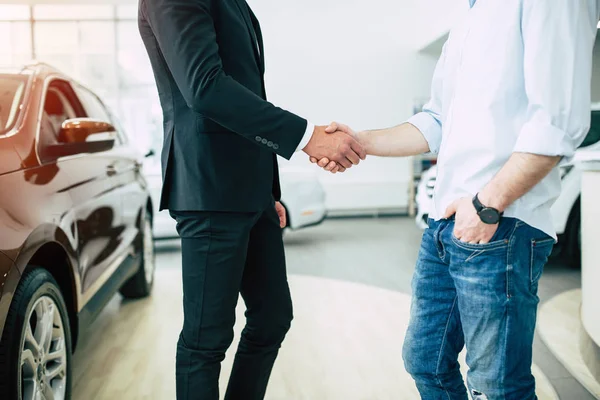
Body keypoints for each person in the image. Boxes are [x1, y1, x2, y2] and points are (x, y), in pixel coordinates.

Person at [312, 0, 600, 398]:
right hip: (445, 225)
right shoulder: (469, 13)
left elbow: (558, 120)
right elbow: (437, 119)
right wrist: (358, 142)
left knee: (496, 387)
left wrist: (486, 205)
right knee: (425, 362)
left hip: (501, 224)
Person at [138, 0, 366, 399]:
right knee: (205, 341)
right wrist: (306, 137)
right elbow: (205, 88)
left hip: (253, 191)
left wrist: (269, 191)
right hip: (210, 188)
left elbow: (247, 94)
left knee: (272, 318)